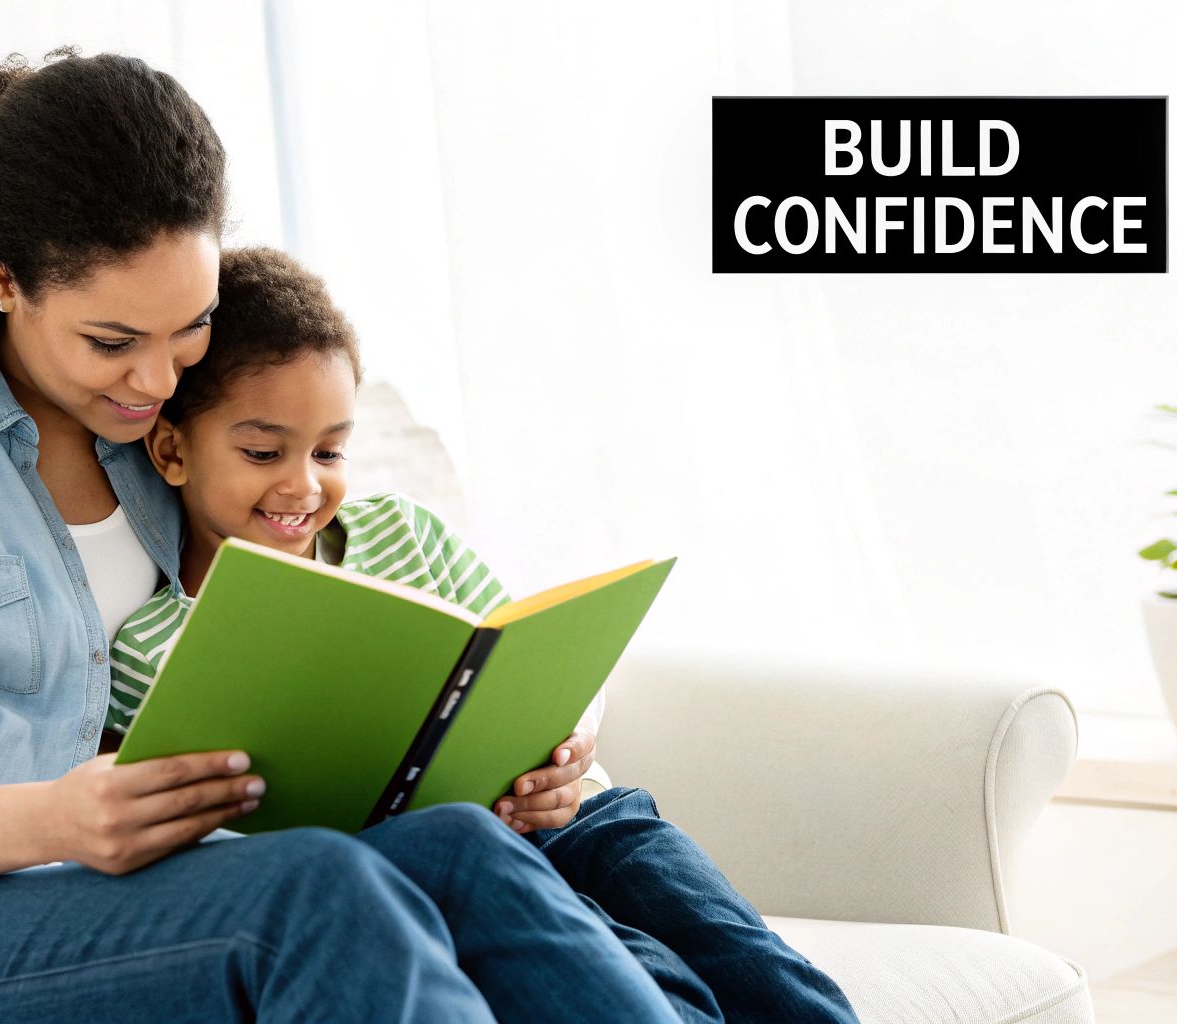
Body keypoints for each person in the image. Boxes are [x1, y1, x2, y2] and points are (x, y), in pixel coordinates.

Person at [0, 48, 688, 1023]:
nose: (154, 380)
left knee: (461, 851)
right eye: (111, 342)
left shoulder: (160, 439)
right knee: (318, 896)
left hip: (171, 877)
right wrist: (54, 816)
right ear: (1, 277)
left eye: (187, 328)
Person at [105, 245, 860, 1024]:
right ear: (171, 449)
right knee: (655, 982)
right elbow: (201, 853)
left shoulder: (404, 533)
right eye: (264, 452)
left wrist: (571, 745)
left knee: (755, 966)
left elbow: (533, 653)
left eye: (330, 450)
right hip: (436, 879)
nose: (304, 484)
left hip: (570, 823)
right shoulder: (154, 646)